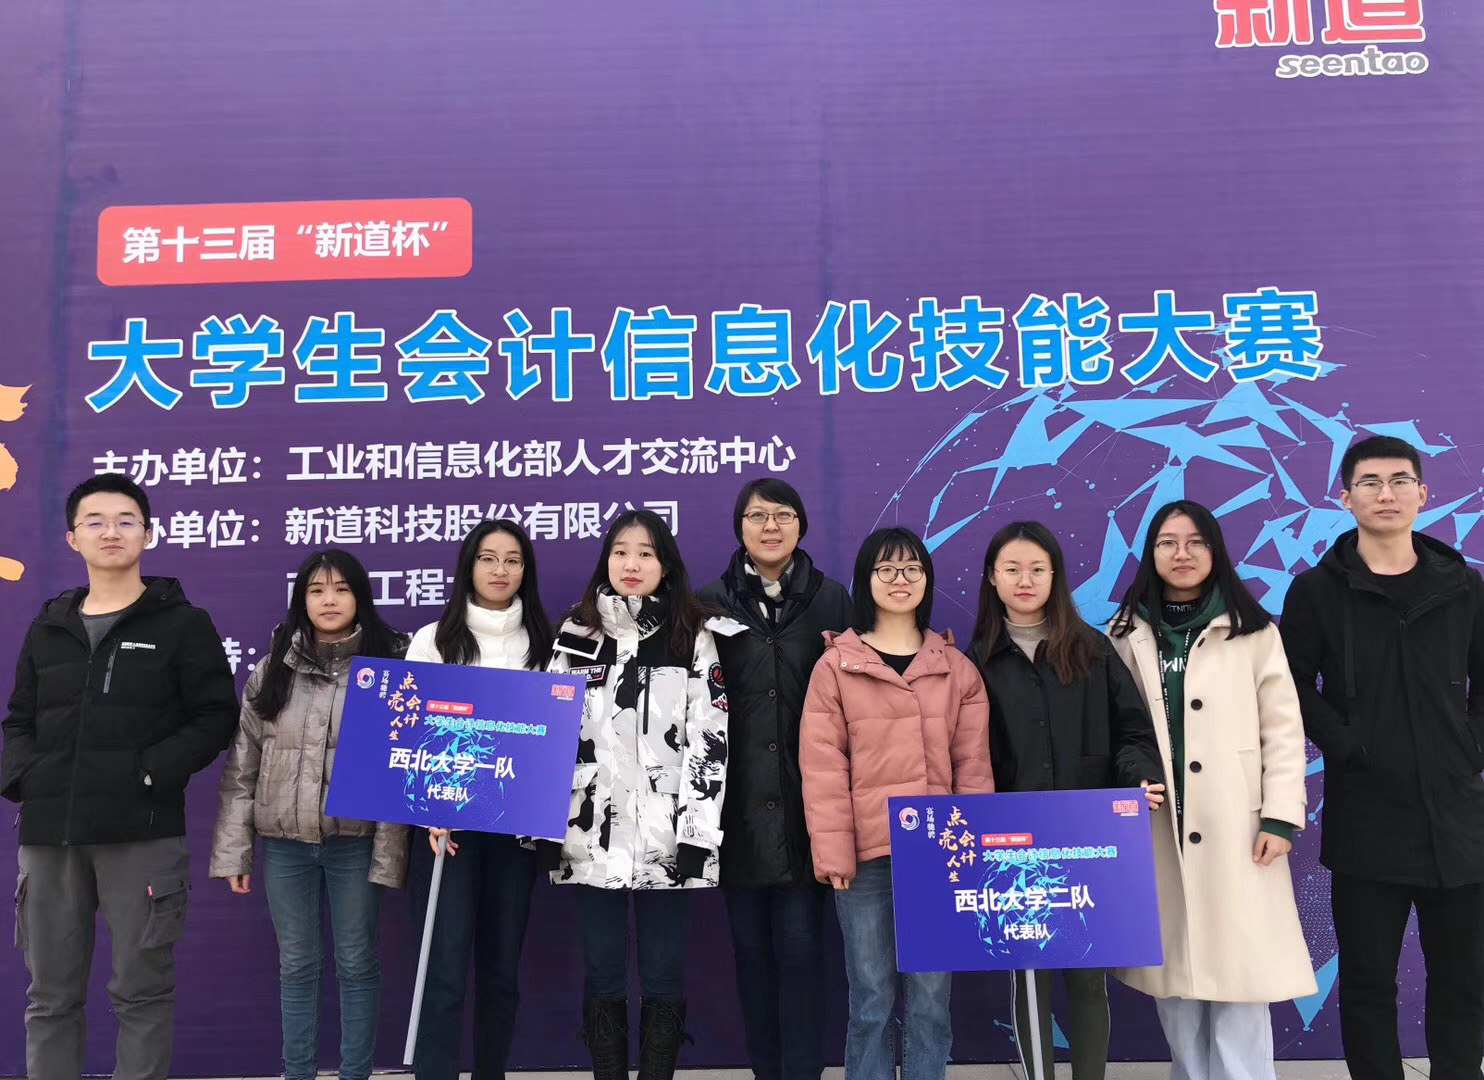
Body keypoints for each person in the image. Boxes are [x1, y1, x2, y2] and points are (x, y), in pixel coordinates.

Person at [1, 472, 238, 1080]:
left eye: (126, 521)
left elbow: (215, 716)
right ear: (72, 538)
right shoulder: (50, 625)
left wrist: (150, 772)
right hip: (51, 835)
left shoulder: (181, 623)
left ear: (148, 534)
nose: (111, 531)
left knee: (141, 991)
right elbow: (19, 719)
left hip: (142, 832)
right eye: (96, 521)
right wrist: (29, 778)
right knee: (50, 997)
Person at [1281, 436, 1484, 1080]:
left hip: (1457, 818)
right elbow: (1291, 686)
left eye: (1400, 481)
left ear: (1423, 494)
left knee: (1463, 980)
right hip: (1367, 816)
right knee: (1369, 982)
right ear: (1345, 498)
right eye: (1369, 482)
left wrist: (1469, 748)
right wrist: (1347, 746)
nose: (1386, 493)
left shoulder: (1464, 585)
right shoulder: (1316, 591)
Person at [1108, 501, 1313, 1080]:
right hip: (1158, 826)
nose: (1182, 553)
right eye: (1168, 542)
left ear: (1216, 551)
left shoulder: (1253, 631)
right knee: (1174, 982)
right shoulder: (1125, 632)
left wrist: (1280, 817)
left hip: (1236, 825)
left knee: (1240, 977)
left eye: (1196, 542)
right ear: (1150, 554)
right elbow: (1114, 726)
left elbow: (1283, 730)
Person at [967, 521, 1164, 1080]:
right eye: (1011, 569)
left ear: (1055, 576)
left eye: (1037, 569)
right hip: (1014, 844)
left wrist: (1138, 777)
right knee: (1030, 974)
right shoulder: (976, 660)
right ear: (992, 578)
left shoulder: (1092, 649)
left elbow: (1133, 731)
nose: (1024, 580)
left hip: (1087, 838)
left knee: (1086, 975)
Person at [210, 549, 411, 1080]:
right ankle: (296, 1072)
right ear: (302, 599)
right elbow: (243, 767)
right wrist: (234, 851)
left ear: (360, 598)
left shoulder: (390, 668)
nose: (329, 600)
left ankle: (355, 1073)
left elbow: (400, 770)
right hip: (285, 846)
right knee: (296, 965)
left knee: (357, 962)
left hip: (356, 844)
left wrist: (389, 857)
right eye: (316, 590)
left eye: (341, 589)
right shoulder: (273, 668)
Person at [800, 526, 992, 1080]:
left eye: (911, 569)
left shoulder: (956, 668)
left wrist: (969, 851)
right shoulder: (836, 666)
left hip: (937, 856)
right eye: (886, 569)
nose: (899, 579)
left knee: (931, 999)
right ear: (866, 580)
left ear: (927, 580)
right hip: (865, 859)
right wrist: (834, 851)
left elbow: (973, 768)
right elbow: (823, 767)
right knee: (871, 997)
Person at [546, 509, 730, 1080]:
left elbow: (711, 739)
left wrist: (698, 834)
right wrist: (544, 822)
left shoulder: (691, 636)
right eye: (621, 551)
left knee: (663, 974)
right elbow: (547, 732)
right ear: (606, 560)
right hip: (588, 832)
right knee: (602, 973)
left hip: (666, 836)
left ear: (665, 566)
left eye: (646, 553)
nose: (632, 563)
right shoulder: (575, 635)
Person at [699, 479, 852, 1080]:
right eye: (757, 516)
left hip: (807, 807)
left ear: (801, 525)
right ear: (739, 527)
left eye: (782, 515)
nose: (770, 526)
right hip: (733, 809)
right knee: (751, 955)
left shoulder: (833, 600)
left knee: (802, 950)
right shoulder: (708, 602)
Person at [404, 520, 552, 1080]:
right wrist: (427, 812)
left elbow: (555, 735)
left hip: (516, 830)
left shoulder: (545, 643)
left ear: (525, 570)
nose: (499, 570)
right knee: (443, 969)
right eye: (488, 558)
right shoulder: (433, 640)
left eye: (512, 559)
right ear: (469, 566)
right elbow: (411, 732)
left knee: (500, 971)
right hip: (447, 831)